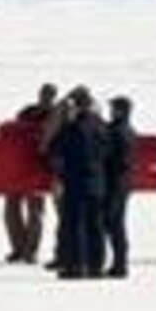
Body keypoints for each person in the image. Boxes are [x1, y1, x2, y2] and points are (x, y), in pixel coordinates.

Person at [48, 86, 108, 279]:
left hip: (76, 183)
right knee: (95, 226)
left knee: (75, 226)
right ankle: (96, 266)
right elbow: (108, 151)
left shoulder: (73, 128)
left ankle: (75, 266)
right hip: (98, 182)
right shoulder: (101, 125)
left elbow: (54, 147)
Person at [3, 83, 58, 264]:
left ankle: (31, 250)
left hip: (38, 170)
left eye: (49, 95)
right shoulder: (27, 112)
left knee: (35, 212)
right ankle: (18, 248)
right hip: (17, 167)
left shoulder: (56, 116)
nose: (45, 98)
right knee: (11, 210)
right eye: (43, 94)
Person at [103, 95, 136, 278]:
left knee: (113, 225)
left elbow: (116, 159)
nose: (111, 111)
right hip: (123, 184)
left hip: (115, 183)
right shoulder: (128, 130)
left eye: (113, 108)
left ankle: (120, 266)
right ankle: (119, 264)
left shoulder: (117, 131)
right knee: (116, 225)